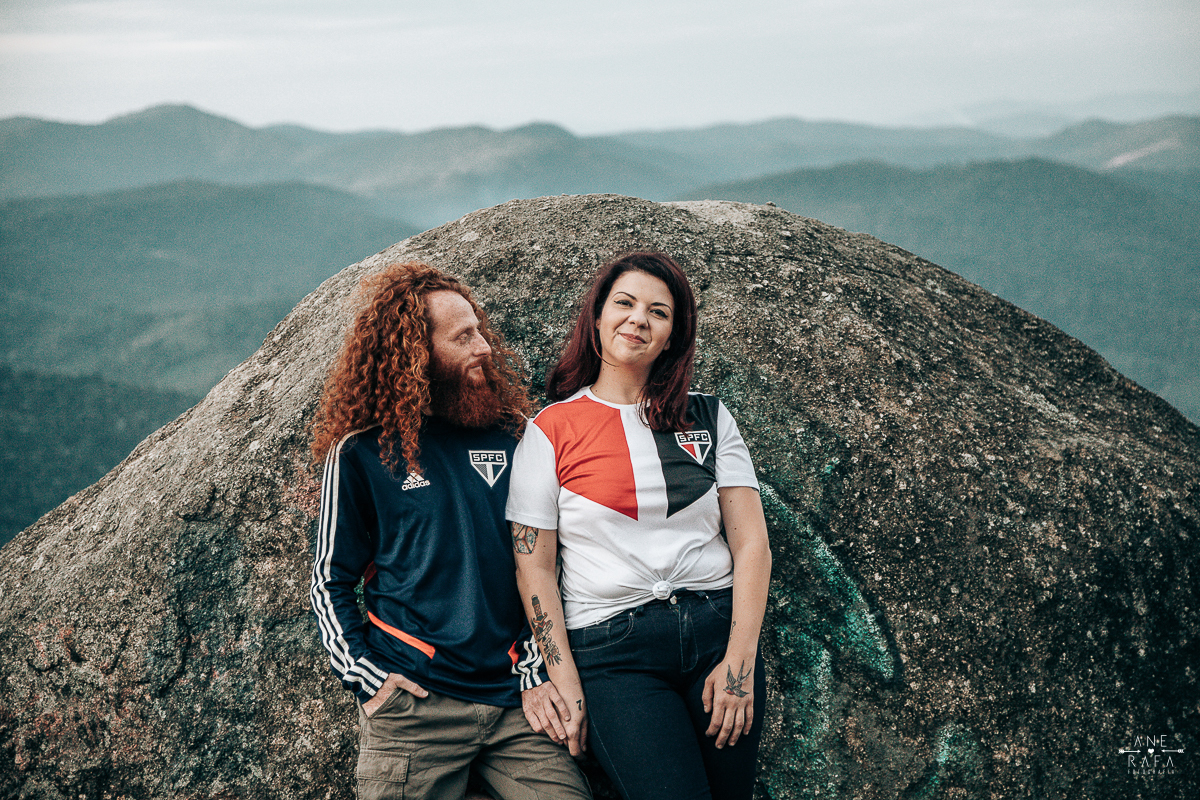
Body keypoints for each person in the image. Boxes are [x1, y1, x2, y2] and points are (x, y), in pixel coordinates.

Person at [309, 262, 591, 800]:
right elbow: (330, 578)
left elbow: (552, 564)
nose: (483, 347)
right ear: (418, 354)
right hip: (415, 707)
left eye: (479, 330)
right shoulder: (363, 454)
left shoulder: (515, 435)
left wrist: (536, 671)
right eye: (463, 337)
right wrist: (368, 679)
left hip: (516, 703)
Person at [507, 252, 773, 800]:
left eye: (659, 312)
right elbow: (534, 569)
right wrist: (566, 682)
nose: (639, 320)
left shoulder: (710, 417)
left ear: (674, 336)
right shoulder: (550, 430)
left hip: (716, 636)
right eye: (624, 304)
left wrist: (739, 666)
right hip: (613, 655)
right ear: (597, 317)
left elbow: (752, 545)